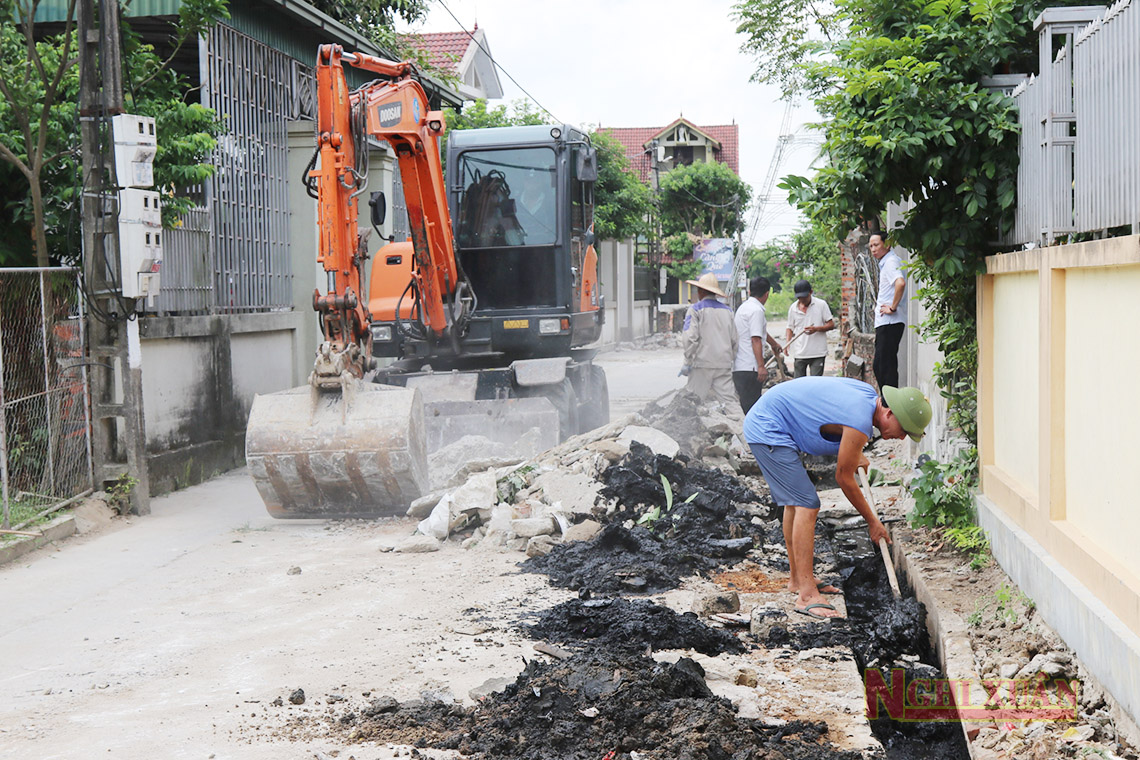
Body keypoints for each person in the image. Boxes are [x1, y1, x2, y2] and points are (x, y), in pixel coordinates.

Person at [743, 377, 931, 619]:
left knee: (795, 502)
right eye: (904, 430)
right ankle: (808, 596)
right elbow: (843, 478)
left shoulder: (866, 396)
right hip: (768, 428)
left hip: (772, 420)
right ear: (889, 413)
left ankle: (797, 581)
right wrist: (872, 521)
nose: (903, 438)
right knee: (807, 504)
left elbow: (835, 425)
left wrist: (855, 454)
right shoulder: (860, 420)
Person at [681, 272, 738, 406]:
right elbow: (735, 340)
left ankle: (690, 427)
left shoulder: (695, 310)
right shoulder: (728, 311)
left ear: (700, 291)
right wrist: (729, 359)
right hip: (723, 364)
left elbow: (690, 338)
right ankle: (741, 425)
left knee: (692, 402)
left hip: (701, 364)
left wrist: (687, 361)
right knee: (730, 402)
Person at [732, 276, 783, 415]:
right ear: (767, 294)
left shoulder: (744, 308)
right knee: (752, 409)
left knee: (748, 406)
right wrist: (761, 366)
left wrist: (773, 344)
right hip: (750, 367)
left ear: (749, 291)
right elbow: (755, 339)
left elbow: (759, 330)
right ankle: (753, 436)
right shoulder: (756, 311)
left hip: (740, 367)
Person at [870, 232, 907, 391]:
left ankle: (890, 406)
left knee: (884, 366)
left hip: (890, 322)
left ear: (887, 244)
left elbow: (900, 283)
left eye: (876, 245)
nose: (873, 249)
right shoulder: (887, 262)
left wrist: (892, 307)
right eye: (871, 246)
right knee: (882, 365)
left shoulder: (891, 262)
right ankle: (889, 403)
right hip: (886, 322)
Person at [785, 279, 835, 378]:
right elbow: (790, 328)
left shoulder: (821, 305)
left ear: (811, 292)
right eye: (799, 298)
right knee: (799, 384)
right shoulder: (793, 308)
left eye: (804, 297)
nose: (802, 300)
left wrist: (816, 329)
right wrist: (787, 344)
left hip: (818, 353)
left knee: (815, 384)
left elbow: (831, 324)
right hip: (800, 353)